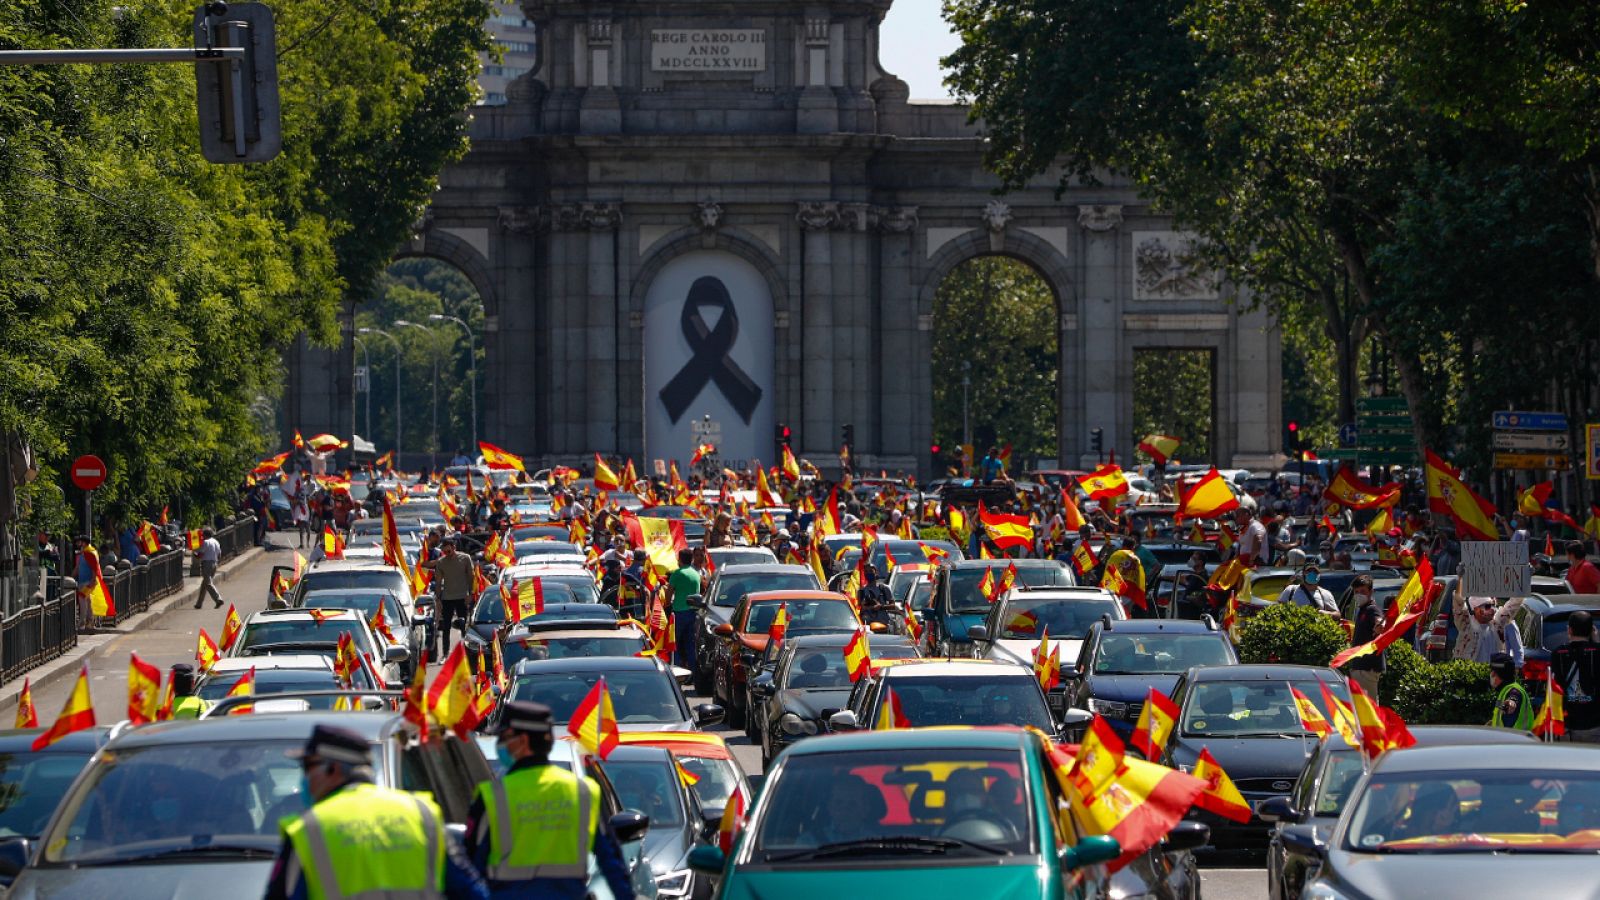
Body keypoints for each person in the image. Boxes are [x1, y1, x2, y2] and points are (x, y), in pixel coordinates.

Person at [265, 724, 488, 900]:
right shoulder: (421, 813)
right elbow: (472, 891)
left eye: (307, 767)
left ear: (332, 768)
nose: (304, 779)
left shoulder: (309, 829)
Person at [465, 701, 634, 899]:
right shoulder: (582, 792)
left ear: (523, 741)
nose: (499, 742)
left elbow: (470, 868)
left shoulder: (493, 796)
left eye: (504, 736)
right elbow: (612, 862)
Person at [420, 536, 477, 656]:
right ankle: (446, 653)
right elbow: (439, 582)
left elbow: (471, 577)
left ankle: (465, 653)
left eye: (449, 551)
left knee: (463, 625)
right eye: (445, 552)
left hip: (462, 596)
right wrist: (438, 599)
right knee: (446, 627)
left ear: (454, 548)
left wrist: (470, 593)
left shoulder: (465, 558)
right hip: (447, 598)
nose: (447, 554)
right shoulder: (441, 562)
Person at [1550, 610, 1600, 742]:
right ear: (1592, 630)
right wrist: (1596, 642)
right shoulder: (1597, 652)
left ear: (1569, 630)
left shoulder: (1558, 653)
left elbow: (1554, 687)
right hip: (1594, 724)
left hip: (1566, 724)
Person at [1453, 594, 1524, 667]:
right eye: (1487, 607)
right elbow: (1458, 603)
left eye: (1493, 605)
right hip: (1470, 675)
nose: (1492, 609)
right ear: (1476, 609)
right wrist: (1461, 583)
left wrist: (1520, 586)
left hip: (1494, 674)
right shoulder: (1466, 625)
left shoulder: (1497, 624)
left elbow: (1514, 604)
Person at [1347, 575, 1384, 698]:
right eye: (1356, 592)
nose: (1358, 595)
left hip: (1367, 668)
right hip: (1360, 667)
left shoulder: (1371, 609)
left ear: (1371, 592)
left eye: (1362, 591)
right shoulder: (1362, 610)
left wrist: (1379, 625)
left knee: (1369, 707)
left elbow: (1379, 621)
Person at [668, 548, 701, 672]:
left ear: (679, 559)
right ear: (691, 559)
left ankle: (674, 670)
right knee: (690, 644)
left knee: (674, 643)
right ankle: (693, 671)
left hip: (679, 613)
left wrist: (666, 604)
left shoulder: (677, 573)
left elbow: (669, 591)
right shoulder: (695, 574)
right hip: (693, 613)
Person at [1487, 652, 1533, 731]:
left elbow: (1513, 699)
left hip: (1514, 741)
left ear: (1497, 674)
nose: (1491, 674)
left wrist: (1511, 702)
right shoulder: (1506, 690)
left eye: (1493, 671)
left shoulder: (1514, 691)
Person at [194, 527, 223, 609]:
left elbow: (200, 554)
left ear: (205, 535)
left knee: (208, 583)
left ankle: (218, 599)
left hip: (207, 564)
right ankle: (199, 604)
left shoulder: (206, 542)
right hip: (214, 563)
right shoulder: (216, 542)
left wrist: (195, 554)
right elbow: (219, 554)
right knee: (204, 584)